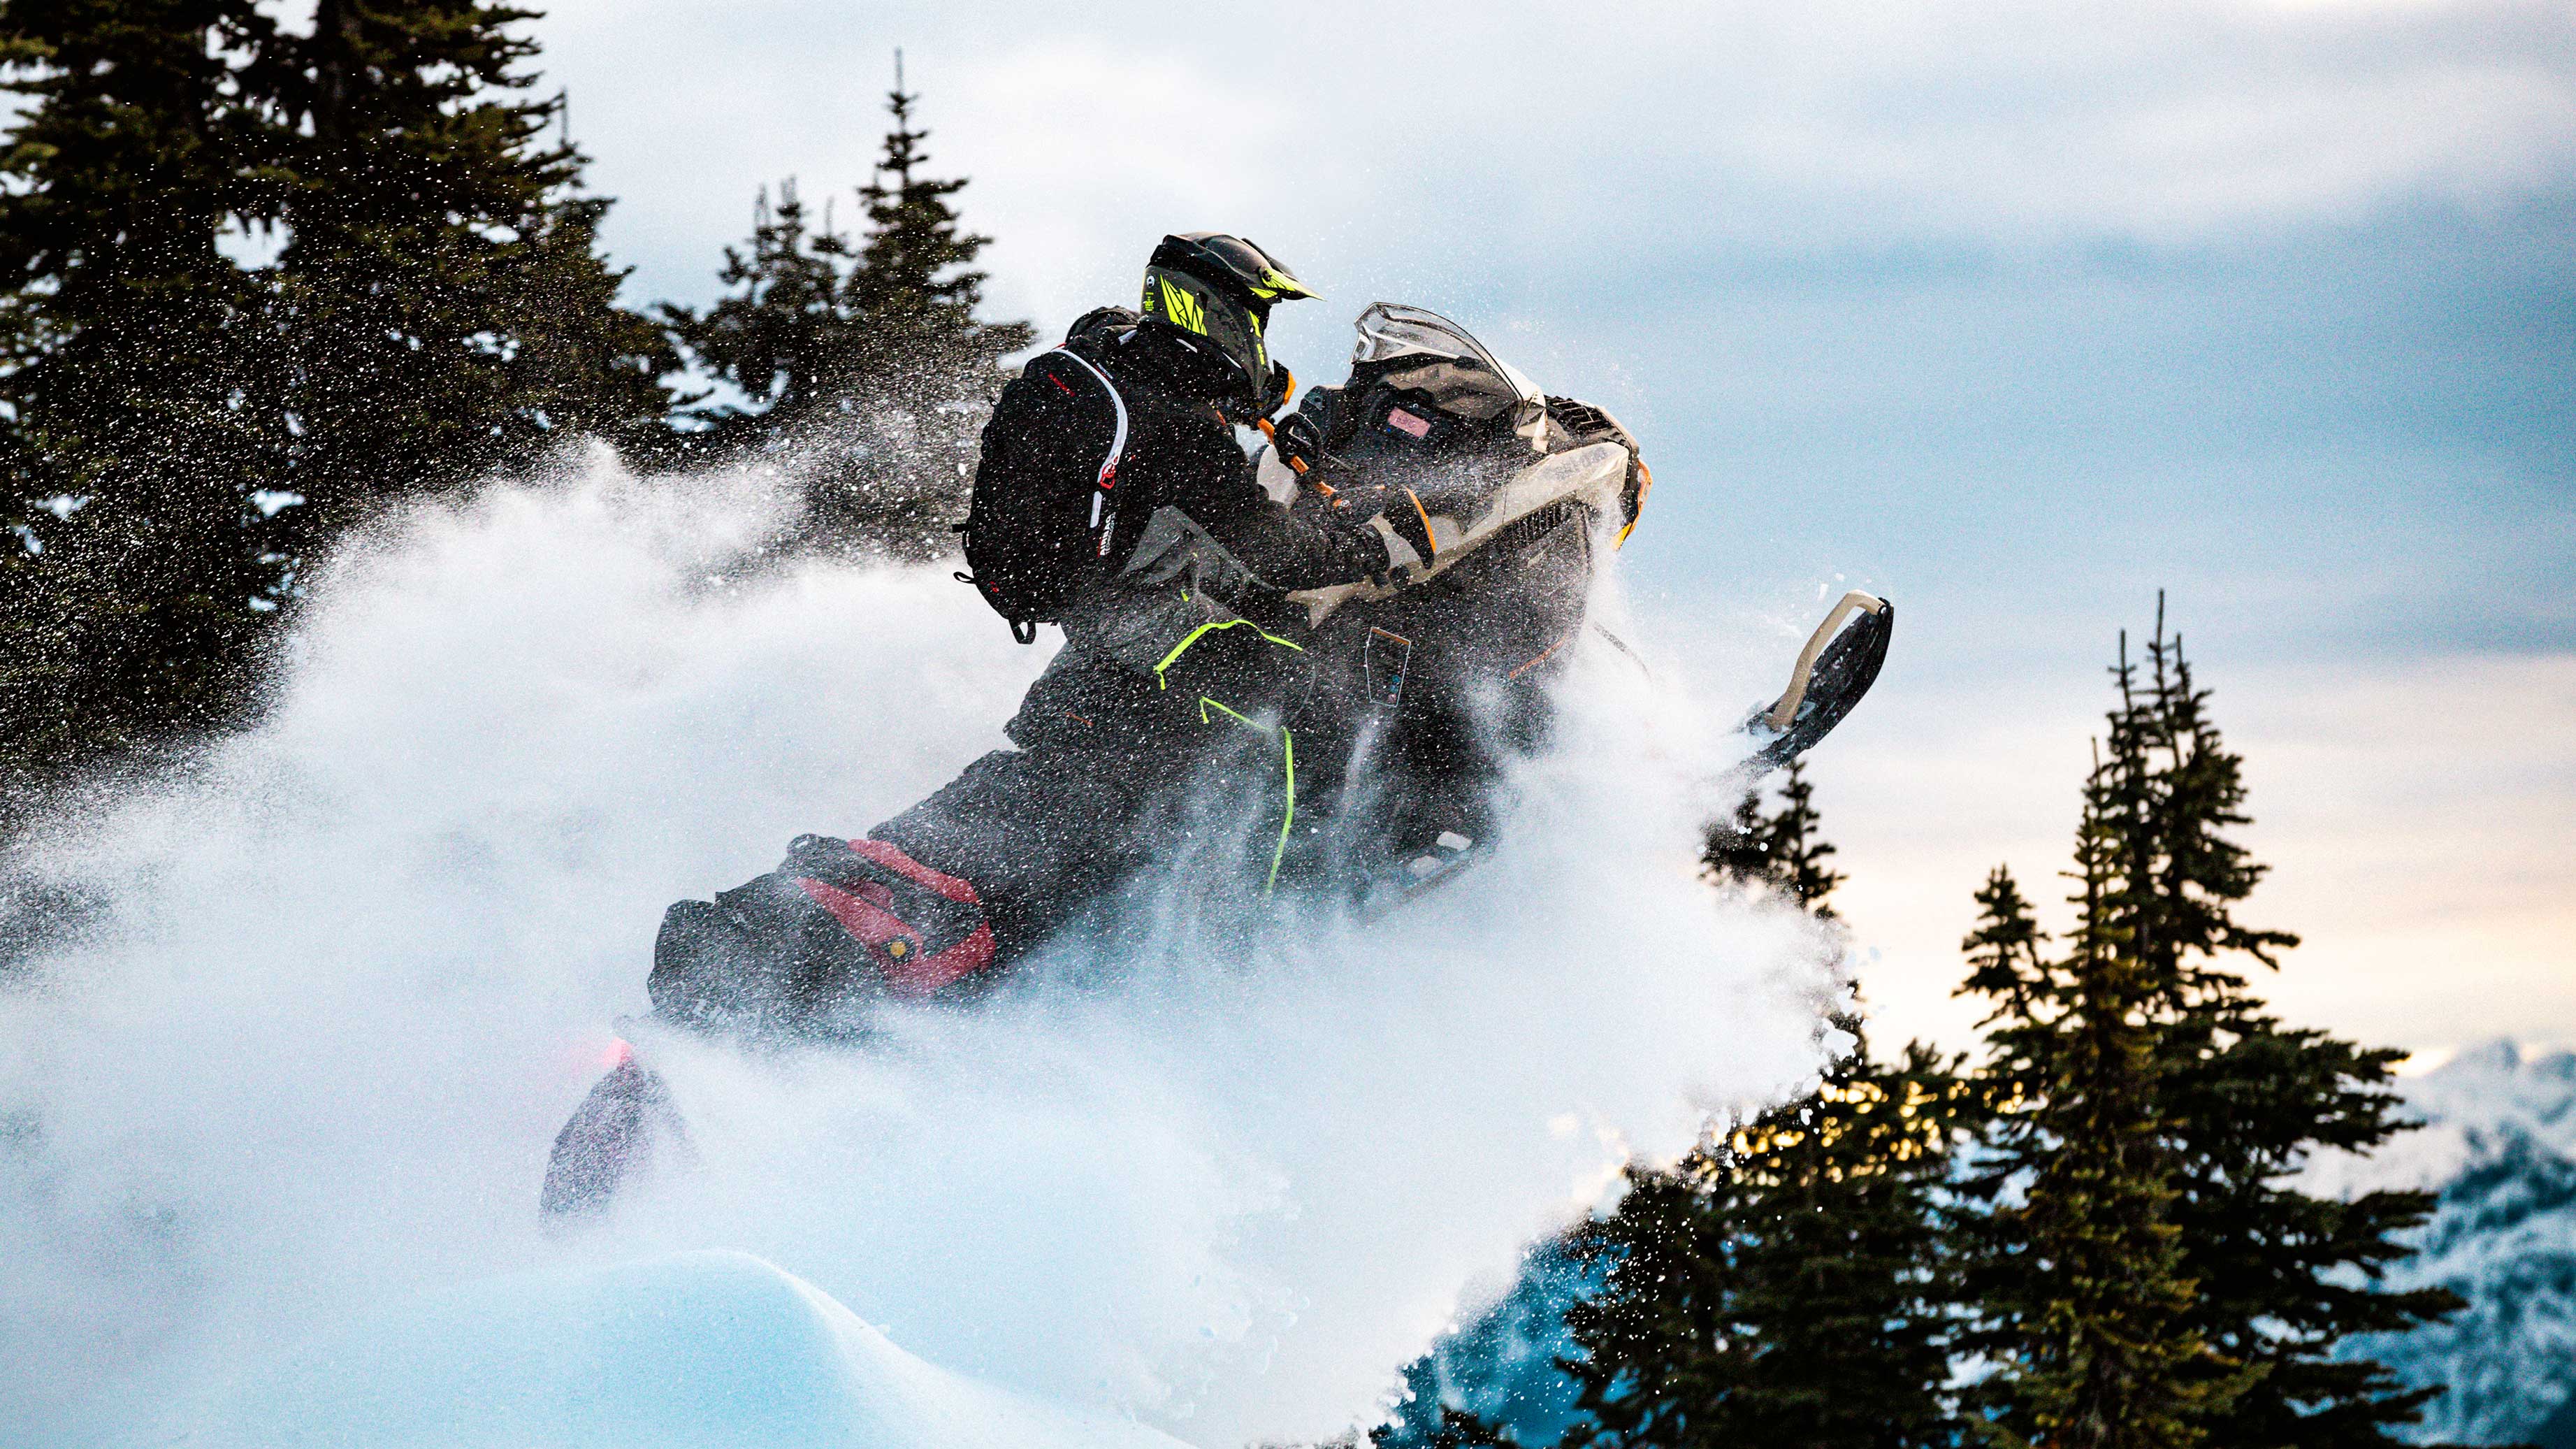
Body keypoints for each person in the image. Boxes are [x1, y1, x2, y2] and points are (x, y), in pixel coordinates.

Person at [639, 233, 1417, 1042]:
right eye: (1256, 316)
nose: (1260, 335)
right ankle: (1282, 919)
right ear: (1217, 312)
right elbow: (1277, 549)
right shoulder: (1178, 423)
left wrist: (1276, 438)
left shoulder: (1107, 358)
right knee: (1294, 705)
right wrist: (1391, 544)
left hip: (1094, 641)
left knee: (1048, 784)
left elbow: (1180, 495)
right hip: (1152, 641)